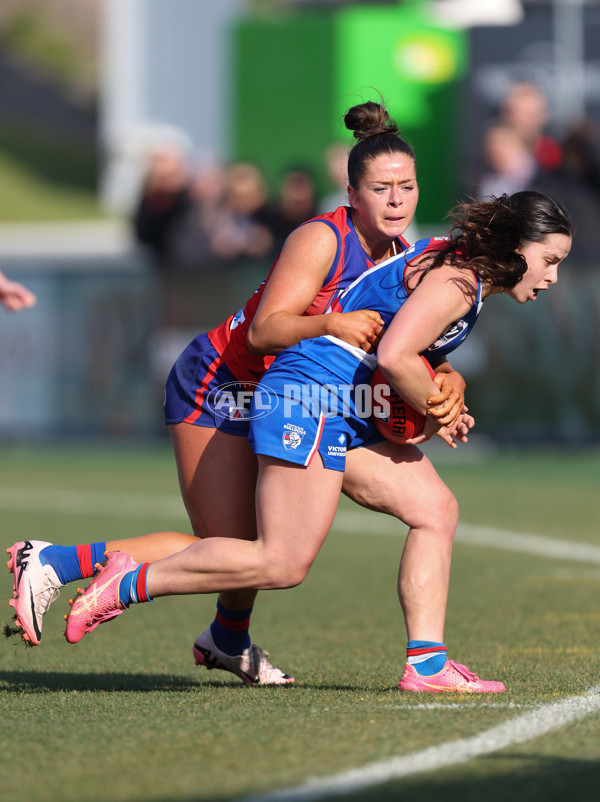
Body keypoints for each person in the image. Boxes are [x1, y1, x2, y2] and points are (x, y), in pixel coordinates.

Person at [7, 100, 465, 686]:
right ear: (352, 194)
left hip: (306, 397)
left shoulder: (406, 258)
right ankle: (51, 561)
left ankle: (227, 638)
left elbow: (418, 350)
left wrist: (449, 387)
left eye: (407, 186)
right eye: (382, 188)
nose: (397, 200)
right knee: (234, 546)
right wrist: (330, 324)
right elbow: (264, 330)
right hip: (223, 384)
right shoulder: (322, 238)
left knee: (275, 544)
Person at [62, 189, 572, 694]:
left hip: (342, 404)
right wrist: (438, 408)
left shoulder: (461, 269)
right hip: (309, 398)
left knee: (435, 509)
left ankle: (428, 664)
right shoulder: (460, 281)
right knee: (281, 562)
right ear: (513, 245)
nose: (551, 276)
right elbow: (395, 356)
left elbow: (400, 339)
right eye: (548, 260)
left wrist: (443, 390)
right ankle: (126, 584)